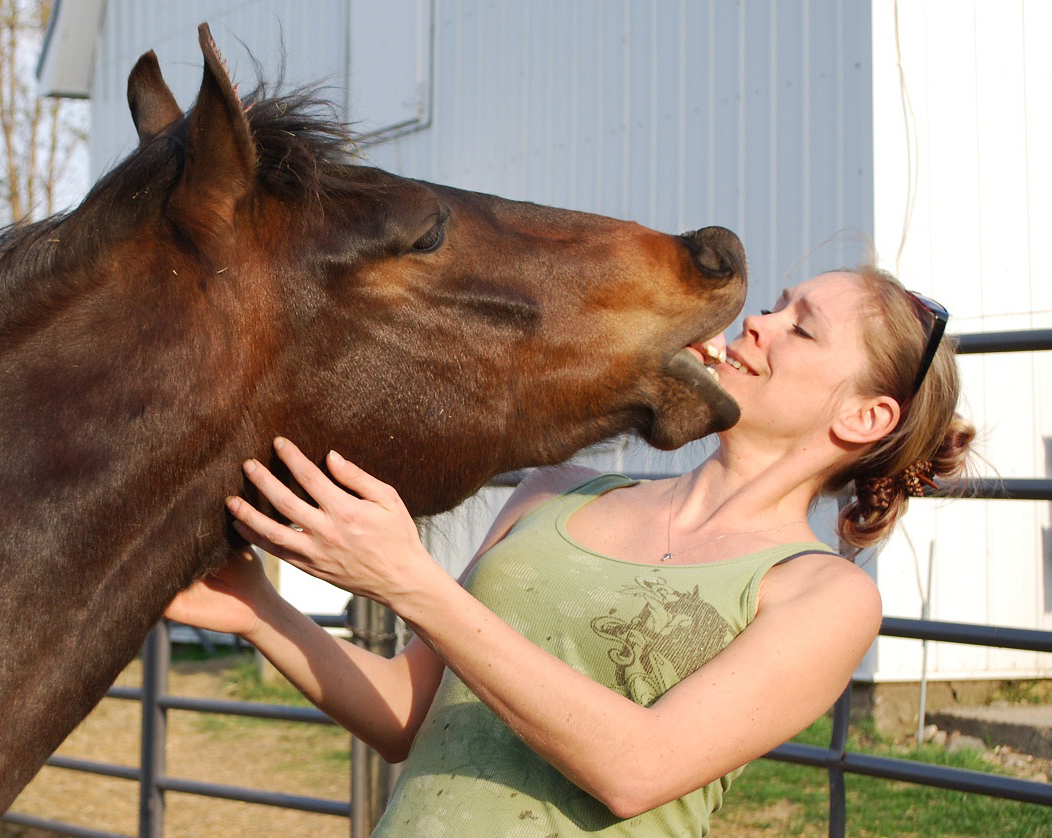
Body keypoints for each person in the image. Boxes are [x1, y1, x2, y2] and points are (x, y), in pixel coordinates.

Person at [165, 267, 975, 835]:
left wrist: (410, 581)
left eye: (802, 327)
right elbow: (408, 716)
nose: (756, 322)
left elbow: (638, 768)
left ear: (865, 419)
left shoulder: (821, 596)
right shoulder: (557, 490)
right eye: (776, 303)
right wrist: (257, 608)